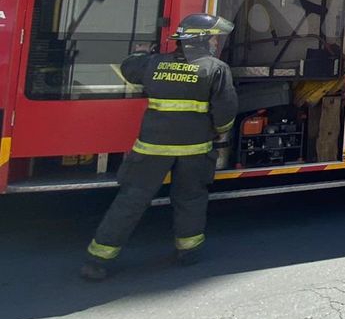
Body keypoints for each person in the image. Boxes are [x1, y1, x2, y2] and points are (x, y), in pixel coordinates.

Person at [81, 14, 238, 281]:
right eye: (212, 37)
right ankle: (188, 252)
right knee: (190, 199)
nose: (215, 41)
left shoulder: (154, 64)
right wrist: (219, 132)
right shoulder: (215, 68)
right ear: (201, 39)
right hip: (195, 150)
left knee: (131, 200)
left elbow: (129, 67)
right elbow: (225, 113)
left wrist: (140, 52)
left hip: (151, 148)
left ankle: (98, 259)